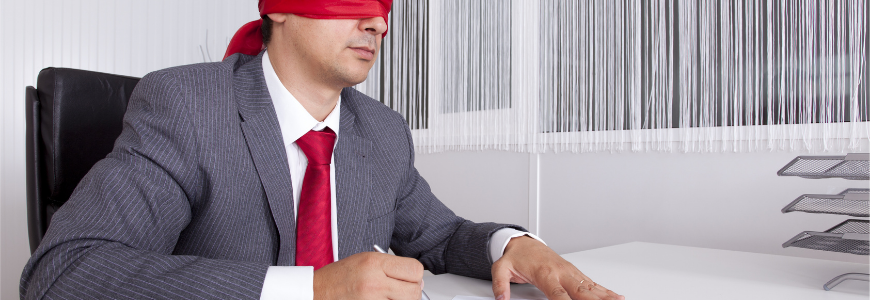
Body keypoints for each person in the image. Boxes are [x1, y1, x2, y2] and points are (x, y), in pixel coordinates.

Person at [20, 1, 624, 299]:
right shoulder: (186, 106)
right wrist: (313, 289)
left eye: (385, 6)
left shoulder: (382, 131)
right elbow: (63, 272)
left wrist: (515, 245)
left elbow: (438, 236)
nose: (379, 23)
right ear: (277, 8)